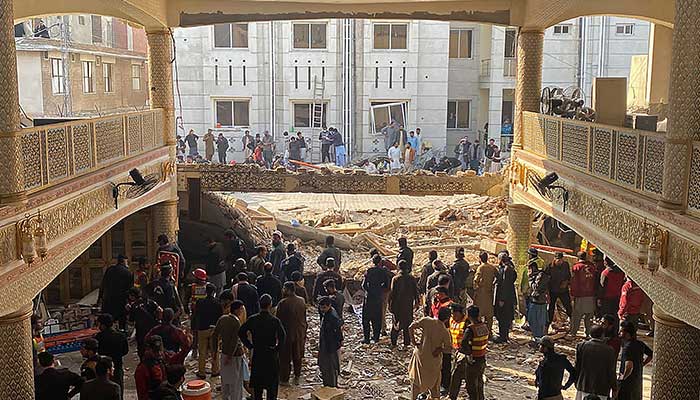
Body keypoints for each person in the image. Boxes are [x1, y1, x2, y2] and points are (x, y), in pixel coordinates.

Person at [239, 294, 287, 400]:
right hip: (271, 355)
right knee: (272, 387)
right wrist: (277, 349)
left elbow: (241, 332)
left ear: (259, 304)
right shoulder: (274, 321)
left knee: (258, 387)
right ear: (270, 305)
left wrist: (249, 345)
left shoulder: (253, 319)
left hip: (258, 354)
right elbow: (283, 336)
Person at [407, 307, 453, 400]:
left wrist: (414, 341)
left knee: (416, 382)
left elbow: (410, 327)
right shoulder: (445, 331)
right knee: (434, 387)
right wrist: (440, 349)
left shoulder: (427, 320)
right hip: (433, 361)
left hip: (420, 356)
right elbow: (448, 348)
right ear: (447, 318)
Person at [449, 305, 488, 400]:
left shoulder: (470, 329)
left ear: (468, 316)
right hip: (482, 358)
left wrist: (467, 353)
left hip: (471, 360)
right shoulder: (484, 326)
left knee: (468, 383)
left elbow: (464, 345)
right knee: (479, 382)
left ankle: (452, 397)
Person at [213, 300, 247, 400]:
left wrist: (214, 352)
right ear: (236, 310)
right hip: (234, 355)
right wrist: (230, 356)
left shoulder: (222, 319)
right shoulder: (236, 322)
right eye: (241, 309)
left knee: (225, 380)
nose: (242, 311)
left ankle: (225, 398)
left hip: (223, 353)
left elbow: (215, 335)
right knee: (236, 383)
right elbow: (235, 341)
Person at [574, 325, 618, 400]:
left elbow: (577, 366)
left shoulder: (581, 346)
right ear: (602, 335)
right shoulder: (609, 350)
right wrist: (614, 388)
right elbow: (611, 371)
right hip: (601, 388)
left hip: (584, 385)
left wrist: (576, 381)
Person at [277, 282, 307, 386]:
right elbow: (304, 317)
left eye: (284, 288)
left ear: (288, 290)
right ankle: (297, 375)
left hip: (287, 333)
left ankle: (284, 378)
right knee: (297, 354)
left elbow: (278, 320)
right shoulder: (301, 301)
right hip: (299, 332)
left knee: (285, 356)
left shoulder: (283, 303)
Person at [617, 320, 652, 400]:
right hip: (636, 381)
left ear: (627, 333)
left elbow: (629, 366)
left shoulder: (627, 348)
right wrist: (642, 364)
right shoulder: (640, 344)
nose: (619, 332)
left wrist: (623, 377)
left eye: (621, 331)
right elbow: (651, 354)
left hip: (627, 384)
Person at [95, 314, 129, 395]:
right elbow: (125, 351)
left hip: (103, 369)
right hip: (117, 366)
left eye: (99, 324)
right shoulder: (121, 336)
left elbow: (97, 351)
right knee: (118, 390)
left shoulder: (99, 337)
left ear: (103, 325)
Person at [389, 260, 420, 347]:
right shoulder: (412, 278)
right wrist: (417, 302)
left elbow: (392, 294)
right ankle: (406, 343)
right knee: (407, 325)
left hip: (397, 306)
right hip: (408, 306)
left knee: (396, 325)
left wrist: (390, 306)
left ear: (398, 267)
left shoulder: (395, 279)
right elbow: (416, 292)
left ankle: (394, 343)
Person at [194, 283, 222, 379]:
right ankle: (215, 371)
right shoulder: (218, 303)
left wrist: (194, 328)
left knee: (202, 351)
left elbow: (196, 315)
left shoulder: (200, 302)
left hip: (202, 329)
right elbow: (220, 317)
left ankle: (201, 372)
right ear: (214, 292)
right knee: (215, 351)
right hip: (214, 329)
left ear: (206, 291)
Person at [98, 254, 133, 330]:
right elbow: (130, 289)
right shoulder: (127, 272)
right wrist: (129, 302)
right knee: (122, 323)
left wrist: (100, 298)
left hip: (108, 301)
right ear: (124, 261)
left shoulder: (109, 270)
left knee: (107, 321)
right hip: (121, 302)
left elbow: (103, 285)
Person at [362, 254, 391, 344]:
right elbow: (387, 286)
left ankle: (366, 338)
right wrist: (379, 291)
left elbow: (363, 285)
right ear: (380, 262)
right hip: (378, 298)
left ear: (373, 261)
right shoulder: (383, 272)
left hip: (369, 298)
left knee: (366, 319)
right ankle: (376, 337)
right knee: (377, 318)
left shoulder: (369, 271)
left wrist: (369, 291)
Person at [126, 287, 161, 358]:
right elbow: (160, 310)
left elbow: (131, 322)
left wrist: (128, 312)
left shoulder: (133, 306)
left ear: (132, 296)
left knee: (142, 351)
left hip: (141, 332)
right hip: (153, 330)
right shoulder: (149, 301)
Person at [318, 296, 344, 387]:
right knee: (327, 366)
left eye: (324, 307)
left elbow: (337, 330)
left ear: (329, 306)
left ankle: (331, 386)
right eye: (321, 307)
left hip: (330, 345)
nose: (322, 309)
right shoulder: (328, 313)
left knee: (330, 367)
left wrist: (339, 341)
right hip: (327, 343)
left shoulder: (332, 317)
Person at [570, 251, 597, 337]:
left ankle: (573, 333)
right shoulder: (592, 267)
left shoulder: (576, 267)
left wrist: (572, 293)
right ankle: (589, 334)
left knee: (577, 316)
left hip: (580, 295)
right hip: (591, 295)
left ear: (578, 258)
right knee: (589, 316)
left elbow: (574, 282)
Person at [135, 335, 168, 400]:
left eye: (160, 350)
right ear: (148, 350)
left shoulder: (162, 361)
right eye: (155, 351)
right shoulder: (142, 369)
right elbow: (142, 394)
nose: (159, 354)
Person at [494, 252, 517, 343]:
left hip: (505, 298)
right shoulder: (510, 268)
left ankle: (503, 336)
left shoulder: (507, 270)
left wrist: (502, 299)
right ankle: (505, 335)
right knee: (506, 317)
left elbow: (505, 285)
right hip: (509, 297)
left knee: (502, 317)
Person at [473, 251, 497, 335]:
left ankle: (480, 332)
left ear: (480, 258)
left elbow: (476, 280)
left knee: (479, 313)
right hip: (489, 292)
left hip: (481, 293)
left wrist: (477, 287)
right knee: (489, 314)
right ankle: (489, 331)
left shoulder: (481, 268)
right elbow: (498, 277)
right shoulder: (492, 267)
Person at [528, 256, 551, 344]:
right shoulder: (539, 275)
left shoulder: (539, 276)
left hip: (538, 302)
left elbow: (536, 288)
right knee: (534, 320)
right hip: (538, 301)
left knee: (536, 320)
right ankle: (538, 337)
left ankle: (539, 338)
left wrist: (530, 279)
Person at [445, 304, 467, 395]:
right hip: (455, 351)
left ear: (461, 313)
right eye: (452, 314)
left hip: (464, 352)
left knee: (456, 375)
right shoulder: (451, 320)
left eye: (455, 314)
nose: (453, 316)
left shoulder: (466, 323)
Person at [548, 252, 572, 329]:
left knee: (568, 307)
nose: (559, 261)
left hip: (563, 290)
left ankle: (572, 324)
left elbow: (569, 276)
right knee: (551, 309)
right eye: (558, 260)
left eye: (560, 260)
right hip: (552, 290)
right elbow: (546, 279)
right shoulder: (550, 266)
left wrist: (566, 282)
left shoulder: (565, 265)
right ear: (554, 259)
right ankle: (548, 325)